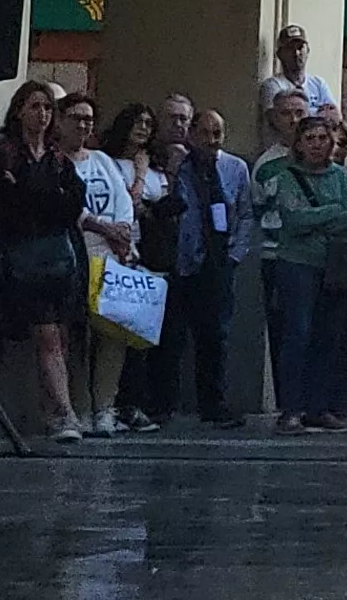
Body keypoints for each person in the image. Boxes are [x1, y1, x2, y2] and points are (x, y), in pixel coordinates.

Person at [0, 82, 89, 441]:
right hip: (22, 262)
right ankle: (64, 413)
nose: (41, 114)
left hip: (59, 259)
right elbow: (8, 206)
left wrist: (37, 195)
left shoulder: (58, 160)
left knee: (61, 334)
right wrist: (45, 197)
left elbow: (72, 205)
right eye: (34, 106)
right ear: (18, 111)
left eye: (46, 108)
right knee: (46, 335)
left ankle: (54, 409)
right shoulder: (5, 155)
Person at [253, 107, 347, 432]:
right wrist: (331, 213)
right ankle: (291, 409)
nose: (317, 144)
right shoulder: (286, 176)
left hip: (331, 267)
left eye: (322, 138)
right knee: (297, 335)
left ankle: (319, 407)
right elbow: (294, 220)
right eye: (310, 139)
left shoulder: (340, 176)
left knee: (326, 336)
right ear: (299, 144)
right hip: (297, 265)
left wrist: (322, 216)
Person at [68, 104, 152, 434]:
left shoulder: (101, 160)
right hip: (78, 253)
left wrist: (120, 232)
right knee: (78, 337)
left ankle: (105, 407)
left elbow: (123, 201)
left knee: (111, 336)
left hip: (112, 257)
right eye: (76, 118)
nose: (84, 125)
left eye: (89, 119)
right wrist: (103, 228)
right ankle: (81, 408)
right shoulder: (58, 161)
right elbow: (71, 207)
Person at [117, 96, 198, 432]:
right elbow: (131, 204)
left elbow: (169, 206)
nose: (144, 130)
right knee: (131, 338)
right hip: (126, 254)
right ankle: (126, 403)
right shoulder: (112, 163)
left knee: (164, 338)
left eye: (148, 125)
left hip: (161, 258)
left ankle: (158, 403)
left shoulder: (161, 167)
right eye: (140, 123)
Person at [179, 103, 253, 426]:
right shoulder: (179, 166)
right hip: (185, 262)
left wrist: (235, 254)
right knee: (175, 335)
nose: (211, 140)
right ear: (192, 135)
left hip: (220, 262)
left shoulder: (236, 168)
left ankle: (214, 403)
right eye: (205, 133)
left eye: (217, 133)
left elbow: (247, 214)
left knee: (216, 337)